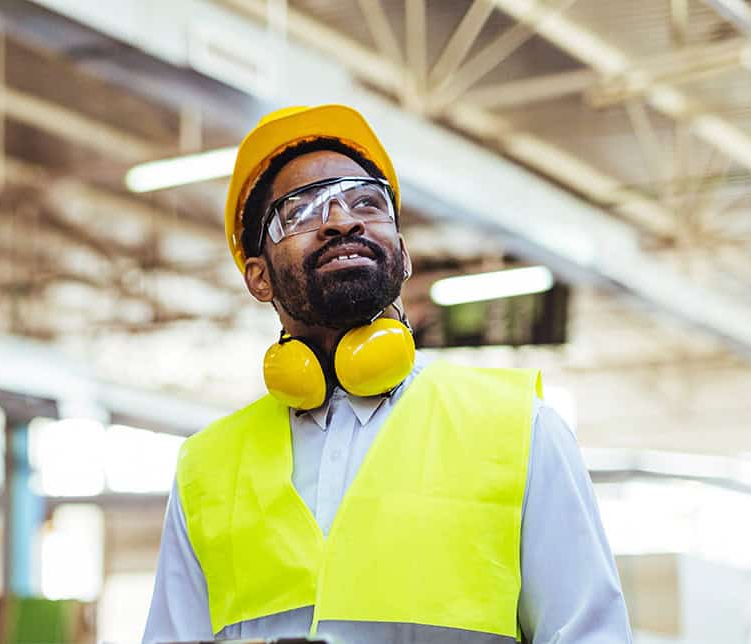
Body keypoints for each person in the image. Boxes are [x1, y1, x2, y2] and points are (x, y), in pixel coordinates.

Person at [142, 105, 631, 643]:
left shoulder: (521, 430)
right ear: (259, 278)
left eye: (367, 202)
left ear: (402, 254)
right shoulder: (206, 470)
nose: (342, 220)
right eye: (302, 210)